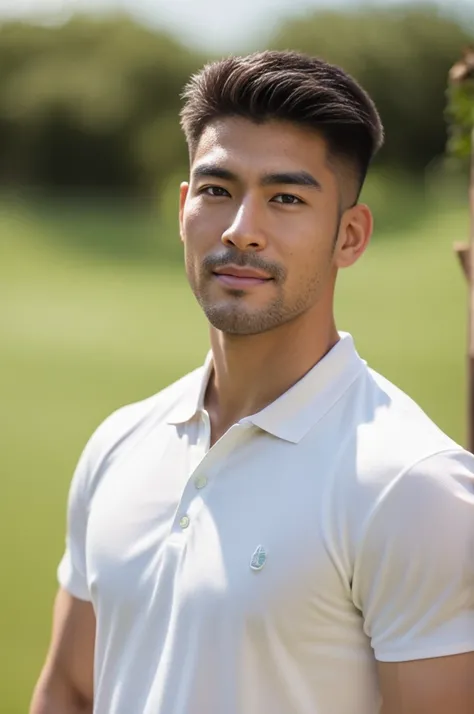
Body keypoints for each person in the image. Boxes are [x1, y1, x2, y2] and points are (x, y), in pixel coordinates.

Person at [30, 50, 474, 714]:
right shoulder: (119, 443)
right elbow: (70, 689)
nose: (242, 231)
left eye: (286, 198)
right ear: (184, 208)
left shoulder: (414, 486)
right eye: (217, 190)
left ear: (349, 236)